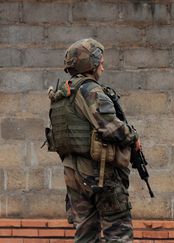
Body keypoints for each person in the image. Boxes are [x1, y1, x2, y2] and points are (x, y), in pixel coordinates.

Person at [47, 38, 140, 242]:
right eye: (100, 62)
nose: (103, 67)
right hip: (100, 174)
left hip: (73, 174)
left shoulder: (62, 94)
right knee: (118, 232)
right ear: (92, 63)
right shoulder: (91, 91)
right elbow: (112, 129)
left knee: (85, 234)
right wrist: (133, 136)